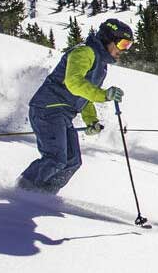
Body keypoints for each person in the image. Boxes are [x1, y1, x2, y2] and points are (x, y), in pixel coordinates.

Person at [19, 18, 132, 194]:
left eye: (128, 46)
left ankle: (44, 196)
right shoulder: (84, 52)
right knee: (56, 159)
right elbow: (74, 83)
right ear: (108, 38)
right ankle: (22, 191)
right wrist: (104, 95)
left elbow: (84, 94)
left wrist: (91, 120)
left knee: (72, 161)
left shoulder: (100, 65)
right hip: (48, 108)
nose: (123, 50)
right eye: (123, 44)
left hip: (63, 114)